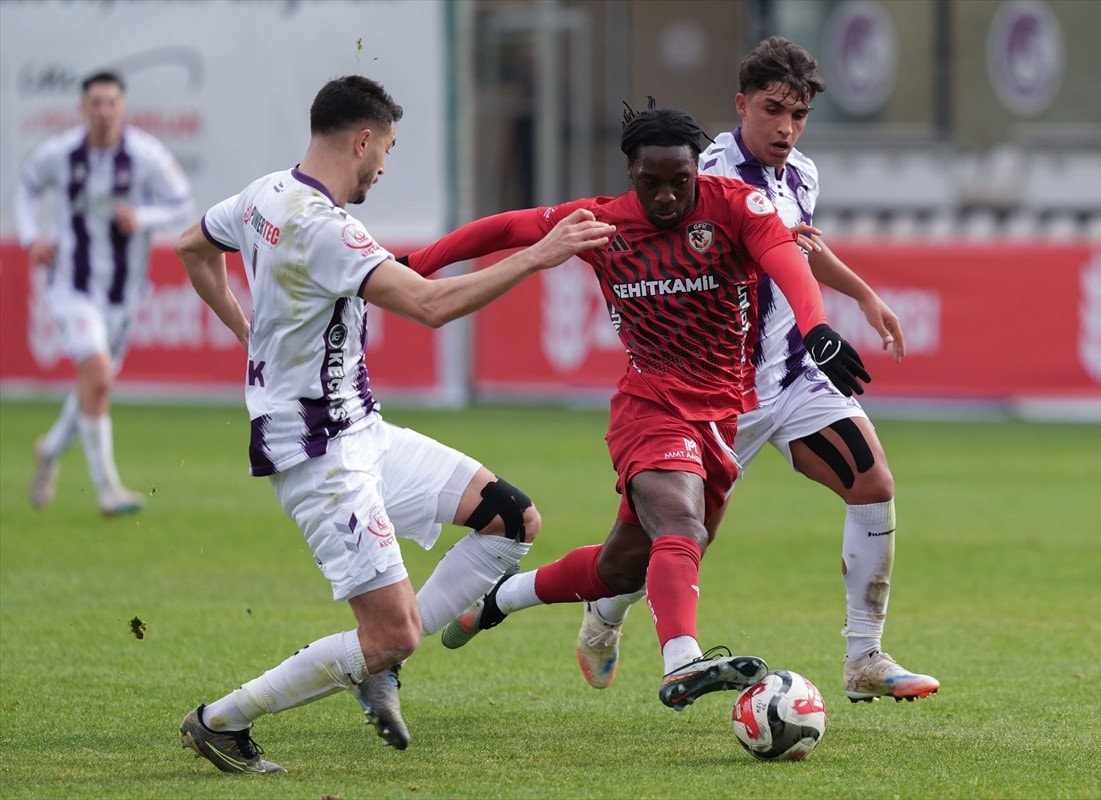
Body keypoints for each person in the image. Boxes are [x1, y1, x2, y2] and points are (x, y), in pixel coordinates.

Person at [173, 75, 615, 774]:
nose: (384, 167)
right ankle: (222, 720)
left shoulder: (263, 194)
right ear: (363, 140)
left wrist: (247, 333)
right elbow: (431, 307)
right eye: (388, 150)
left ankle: (382, 661)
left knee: (511, 519)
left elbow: (191, 247)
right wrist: (537, 255)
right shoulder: (329, 229)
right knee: (391, 633)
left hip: (363, 432)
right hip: (321, 457)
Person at [404, 102, 869, 711]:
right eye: (652, 184)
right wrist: (414, 266)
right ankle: (683, 660)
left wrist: (815, 328)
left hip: (721, 418)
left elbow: (787, 263)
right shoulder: (601, 224)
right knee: (681, 525)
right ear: (631, 175)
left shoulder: (735, 206)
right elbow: (507, 228)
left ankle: (498, 598)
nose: (669, 197)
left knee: (622, 569)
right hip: (648, 405)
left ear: (697, 169)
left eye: (681, 181)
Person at [560, 38, 940, 704]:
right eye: (773, 111)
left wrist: (862, 294)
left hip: (794, 377)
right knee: (665, 540)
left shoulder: (803, 174)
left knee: (873, 482)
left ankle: (864, 657)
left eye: (798, 115)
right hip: (717, 393)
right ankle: (606, 614)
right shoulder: (704, 176)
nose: (786, 129)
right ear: (741, 105)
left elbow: (793, 247)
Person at [15, 70, 194, 516]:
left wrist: (143, 217)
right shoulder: (60, 153)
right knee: (97, 377)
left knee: (94, 386)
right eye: (94, 102)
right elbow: (26, 188)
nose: (102, 110)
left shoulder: (144, 155)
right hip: (72, 287)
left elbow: (182, 204)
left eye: (110, 102)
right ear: (82, 108)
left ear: (122, 107)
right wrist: (31, 236)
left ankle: (50, 449)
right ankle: (108, 490)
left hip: (124, 293)